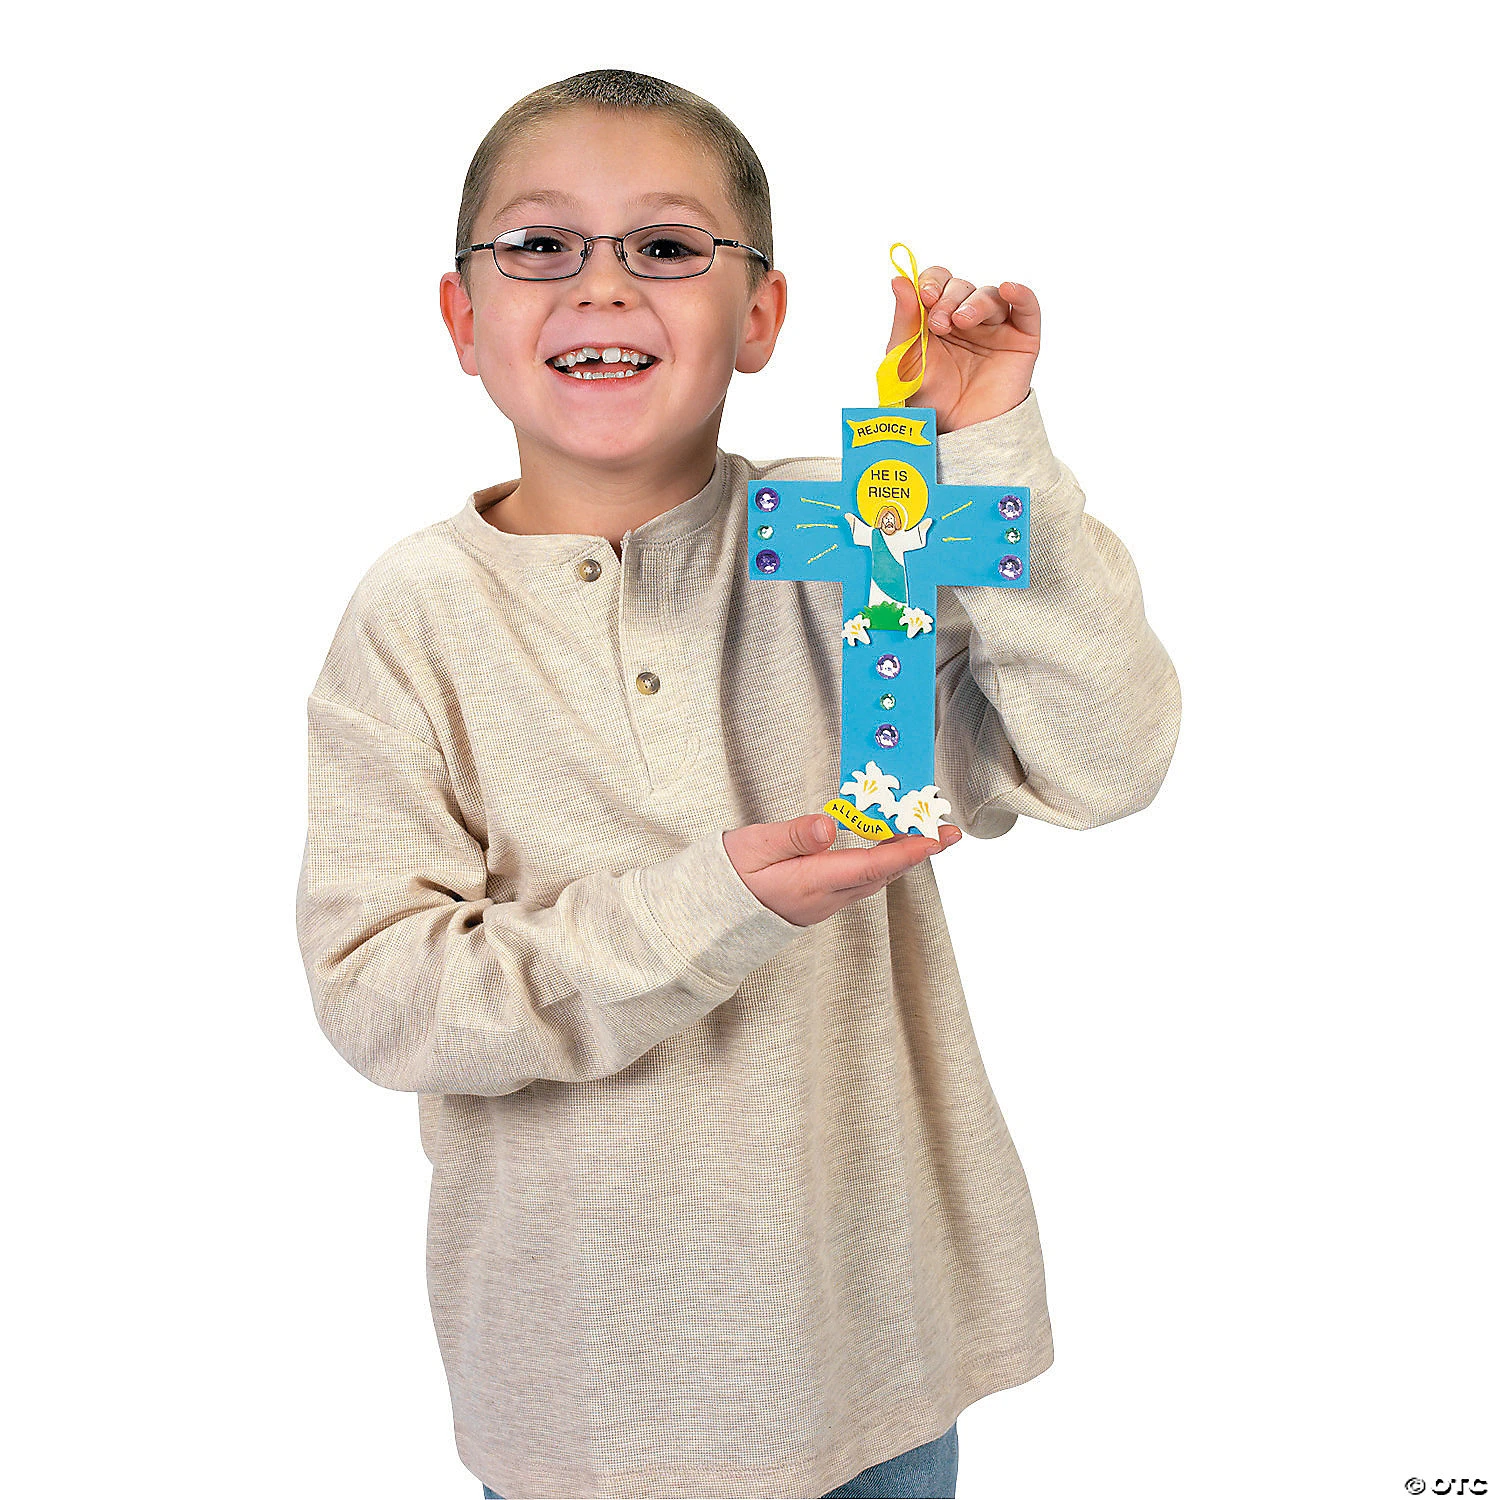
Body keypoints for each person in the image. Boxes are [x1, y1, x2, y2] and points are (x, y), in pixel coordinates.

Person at [294, 66, 1181, 1500]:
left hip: (878, 1366)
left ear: (759, 316)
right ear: (462, 318)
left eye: (665, 246)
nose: (601, 285)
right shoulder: (413, 619)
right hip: (583, 1400)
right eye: (540, 244)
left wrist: (984, 458)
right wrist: (715, 904)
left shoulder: (858, 539)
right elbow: (383, 996)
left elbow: (1105, 758)